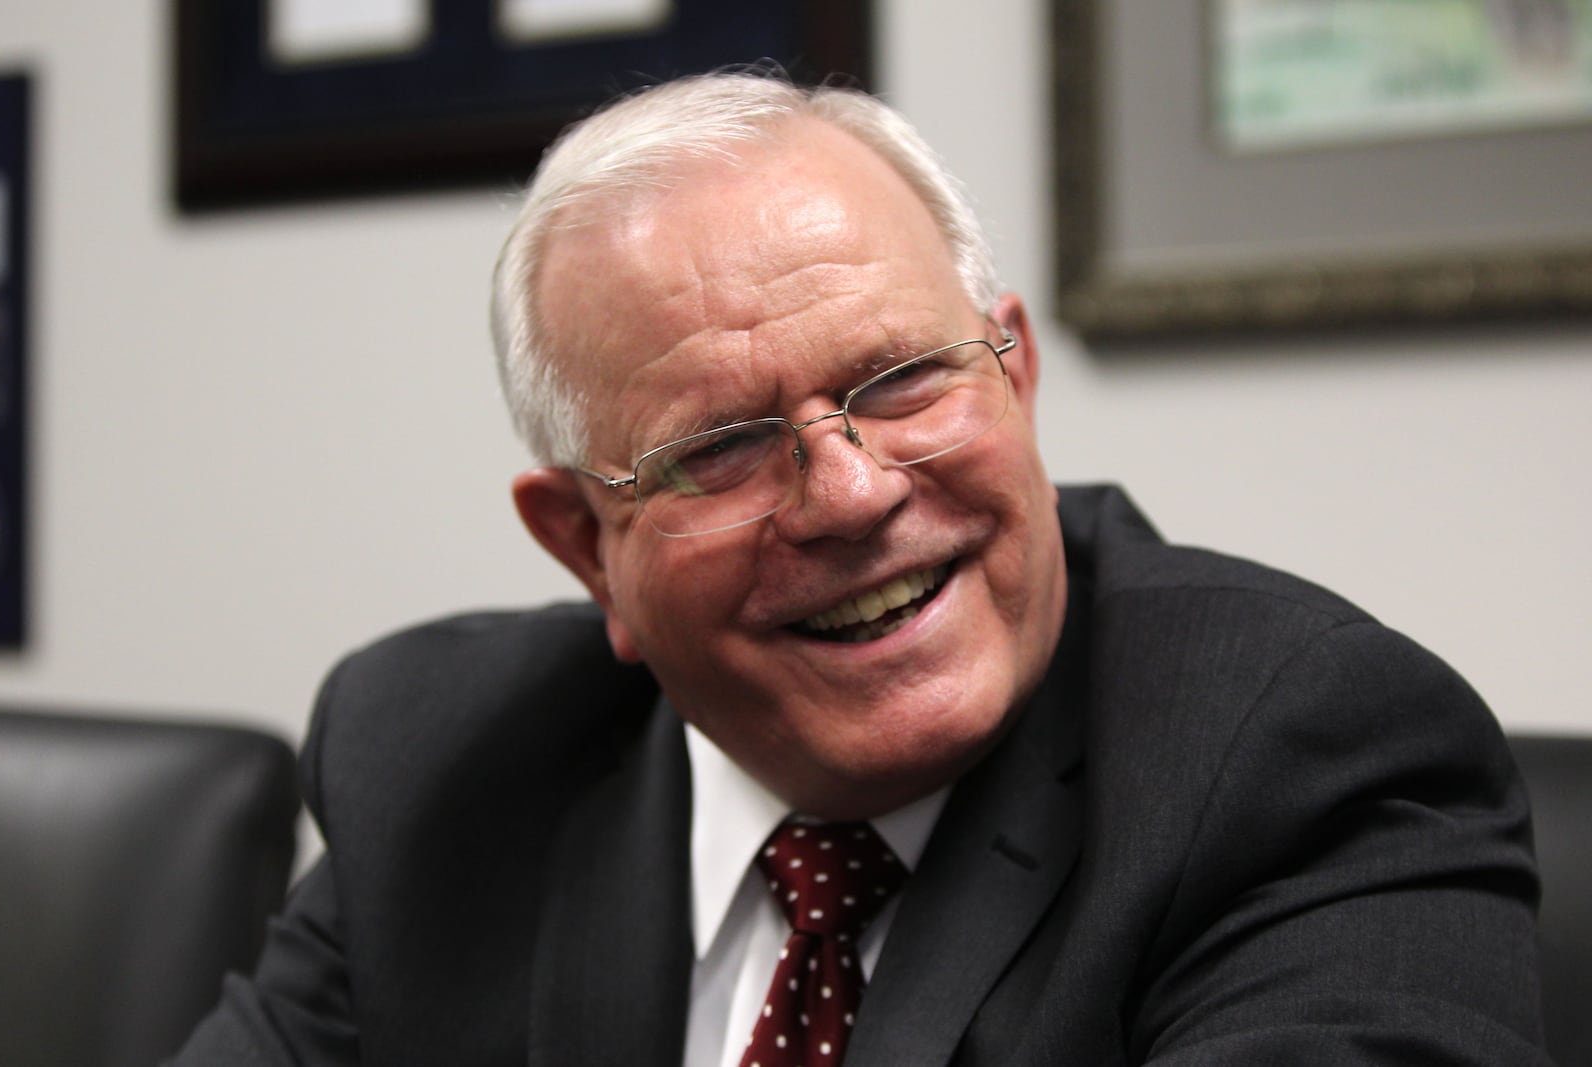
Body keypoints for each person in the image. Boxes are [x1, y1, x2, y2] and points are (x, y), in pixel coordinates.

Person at [172, 70, 1549, 1065]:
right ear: (589, 547)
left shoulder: (1302, 754)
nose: (848, 492)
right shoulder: (439, 765)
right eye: (719, 447)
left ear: (1011, 371)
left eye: (900, 379)